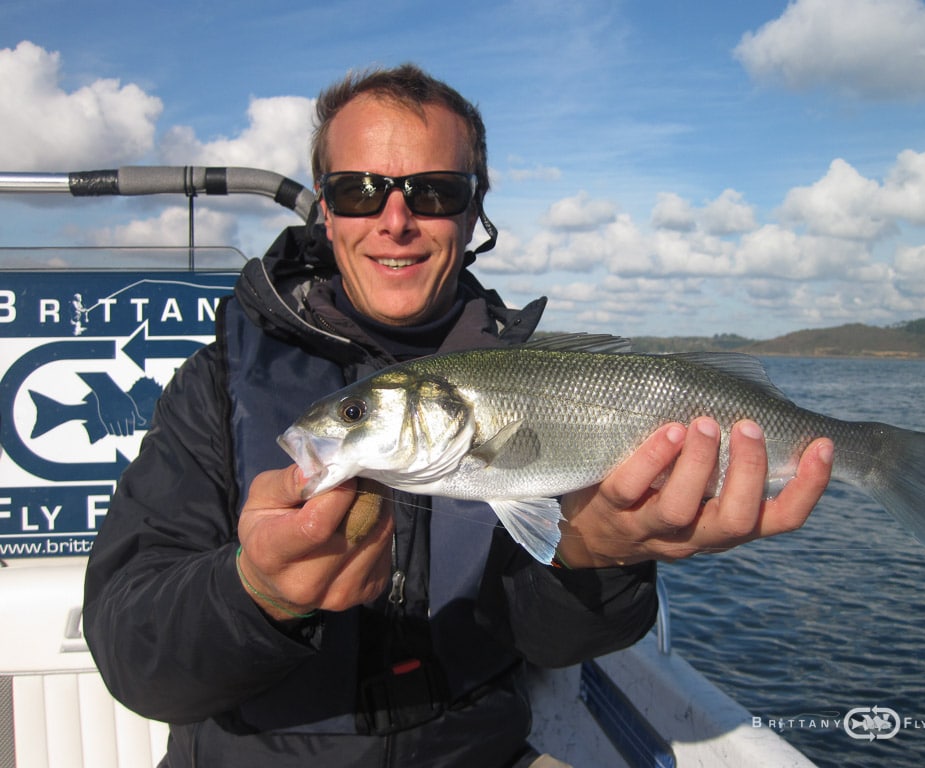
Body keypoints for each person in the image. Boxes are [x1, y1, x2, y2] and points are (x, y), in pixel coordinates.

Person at [83, 64, 834, 767]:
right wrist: (255, 594)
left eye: (436, 191)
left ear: (476, 206)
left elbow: (545, 638)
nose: (395, 219)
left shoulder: (532, 370)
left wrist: (596, 556)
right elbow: (132, 657)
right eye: (358, 190)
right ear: (324, 201)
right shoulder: (217, 382)